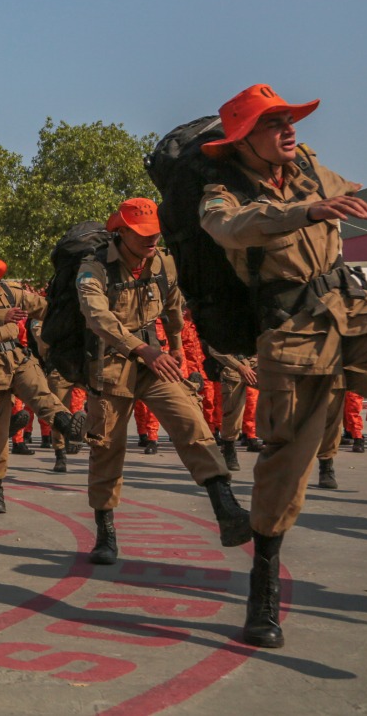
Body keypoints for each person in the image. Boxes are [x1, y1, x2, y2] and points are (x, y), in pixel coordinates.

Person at [196, 84, 367, 648]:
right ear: (243, 140)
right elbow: (231, 229)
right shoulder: (219, 194)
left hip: (353, 306)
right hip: (293, 331)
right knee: (286, 466)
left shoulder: (309, 165)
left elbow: (355, 192)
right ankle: (262, 584)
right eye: (275, 124)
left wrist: (331, 200)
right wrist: (306, 210)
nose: (291, 130)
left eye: (291, 119)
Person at [73, 198, 251, 565]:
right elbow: (96, 316)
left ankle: (226, 507)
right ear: (120, 232)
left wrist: (176, 350)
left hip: (156, 362)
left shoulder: (163, 263)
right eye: (142, 234)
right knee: (107, 450)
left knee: (192, 423)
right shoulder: (94, 270)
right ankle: (105, 532)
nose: (151, 240)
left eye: (155, 233)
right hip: (111, 364)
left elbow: (173, 309)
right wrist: (142, 348)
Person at [0, 248, 86, 514]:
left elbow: (45, 308)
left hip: (19, 358)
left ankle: (70, 427)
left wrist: (77, 316)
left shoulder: (11, 293)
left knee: (42, 396)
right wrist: (1, 316)